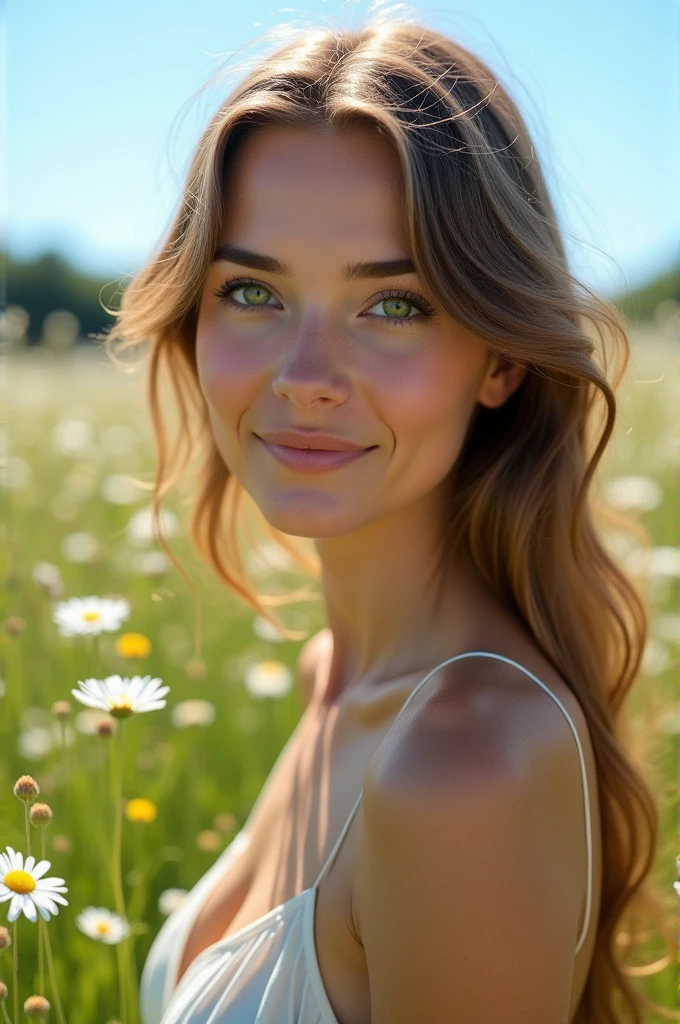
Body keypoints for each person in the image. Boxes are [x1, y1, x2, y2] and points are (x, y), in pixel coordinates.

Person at [104, 16, 676, 1024]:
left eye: (394, 304)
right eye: (250, 290)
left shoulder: (462, 757)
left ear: (499, 357)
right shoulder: (336, 670)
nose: (305, 378)